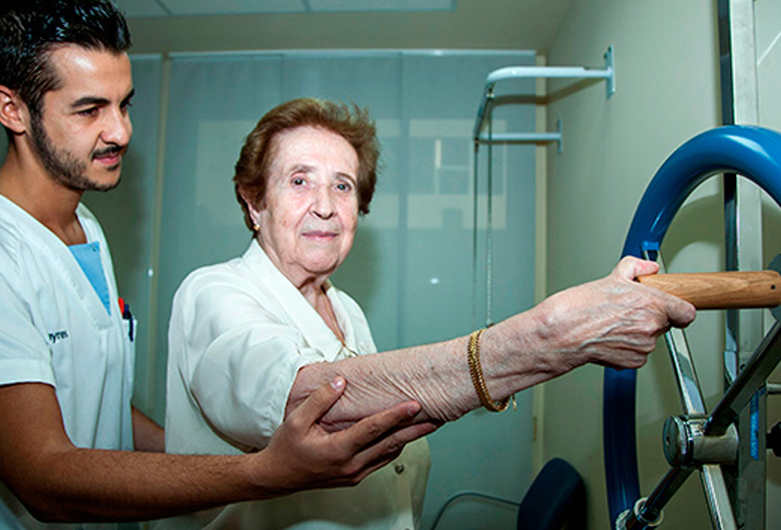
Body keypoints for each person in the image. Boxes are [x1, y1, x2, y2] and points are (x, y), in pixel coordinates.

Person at [0, 2, 438, 529]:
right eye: (90, 111)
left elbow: (90, 403)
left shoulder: (85, 229)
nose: (121, 132)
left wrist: (198, 459)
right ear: (11, 108)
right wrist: (265, 473)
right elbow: (42, 475)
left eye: (124, 105)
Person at [162, 98, 697, 529]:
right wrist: (546, 338)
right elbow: (305, 404)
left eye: (342, 185)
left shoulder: (343, 308)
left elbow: (390, 411)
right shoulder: (214, 292)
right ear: (254, 202)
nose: (325, 204)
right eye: (299, 180)